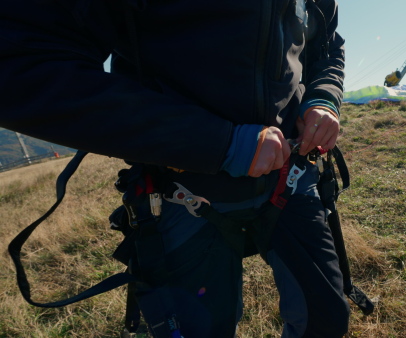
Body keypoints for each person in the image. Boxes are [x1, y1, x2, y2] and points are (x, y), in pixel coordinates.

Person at [0, 1, 350, 337]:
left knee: (326, 322)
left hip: (290, 177)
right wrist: (216, 143)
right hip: (181, 191)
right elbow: (19, 65)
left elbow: (327, 46)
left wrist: (323, 97)